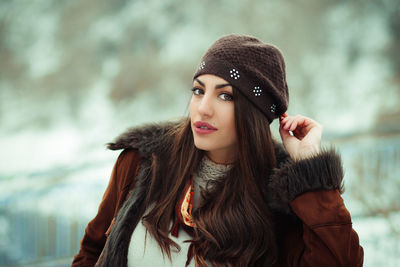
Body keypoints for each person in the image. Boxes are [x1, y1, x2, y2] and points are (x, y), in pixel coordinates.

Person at [71, 34, 364, 266]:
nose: (203, 108)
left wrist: (309, 170)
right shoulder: (144, 163)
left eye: (225, 95)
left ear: (254, 114)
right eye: (199, 90)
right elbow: (92, 251)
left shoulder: (281, 199)